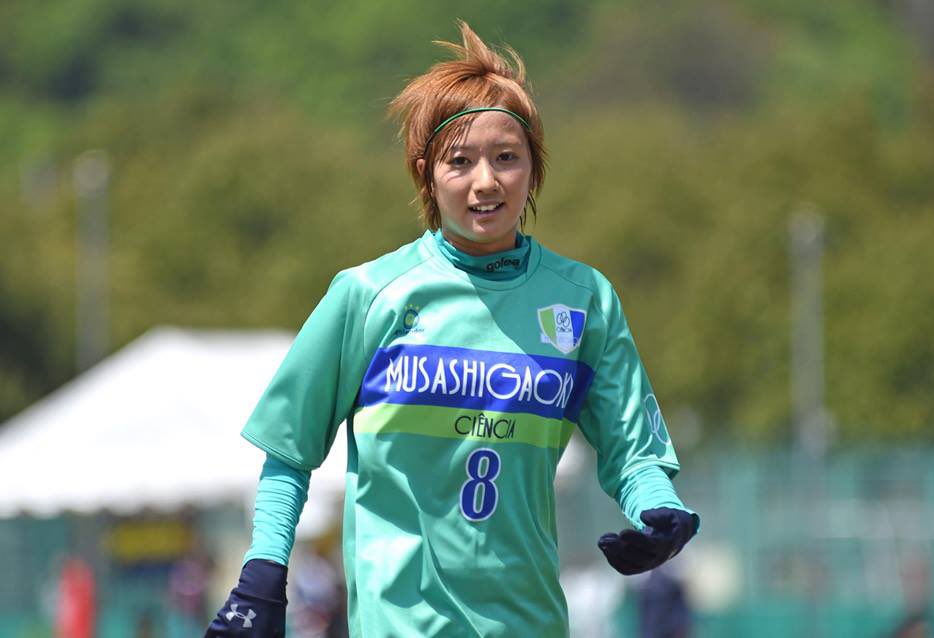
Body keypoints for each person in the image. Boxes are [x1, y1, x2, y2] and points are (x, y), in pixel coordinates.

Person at [206, 21, 699, 637]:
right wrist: (261, 578)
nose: (485, 180)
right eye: (460, 161)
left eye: (507, 157)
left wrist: (661, 511)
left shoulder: (585, 299)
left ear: (534, 168)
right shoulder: (368, 295)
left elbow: (633, 451)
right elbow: (289, 453)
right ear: (426, 173)